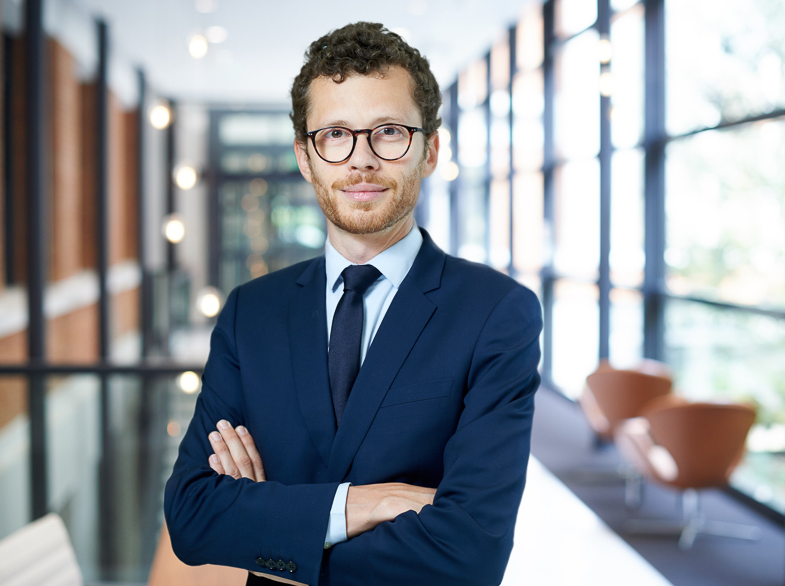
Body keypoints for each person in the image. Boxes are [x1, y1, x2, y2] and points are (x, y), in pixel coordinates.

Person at [165, 22, 542, 586]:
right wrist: (361, 505)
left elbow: (470, 551)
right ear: (304, 156)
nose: (360, 160)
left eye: (388, 132)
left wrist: (275, 532)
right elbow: (192, 517)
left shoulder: (497, 313)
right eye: (335, 134)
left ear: (430, 149)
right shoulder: (251, 313)